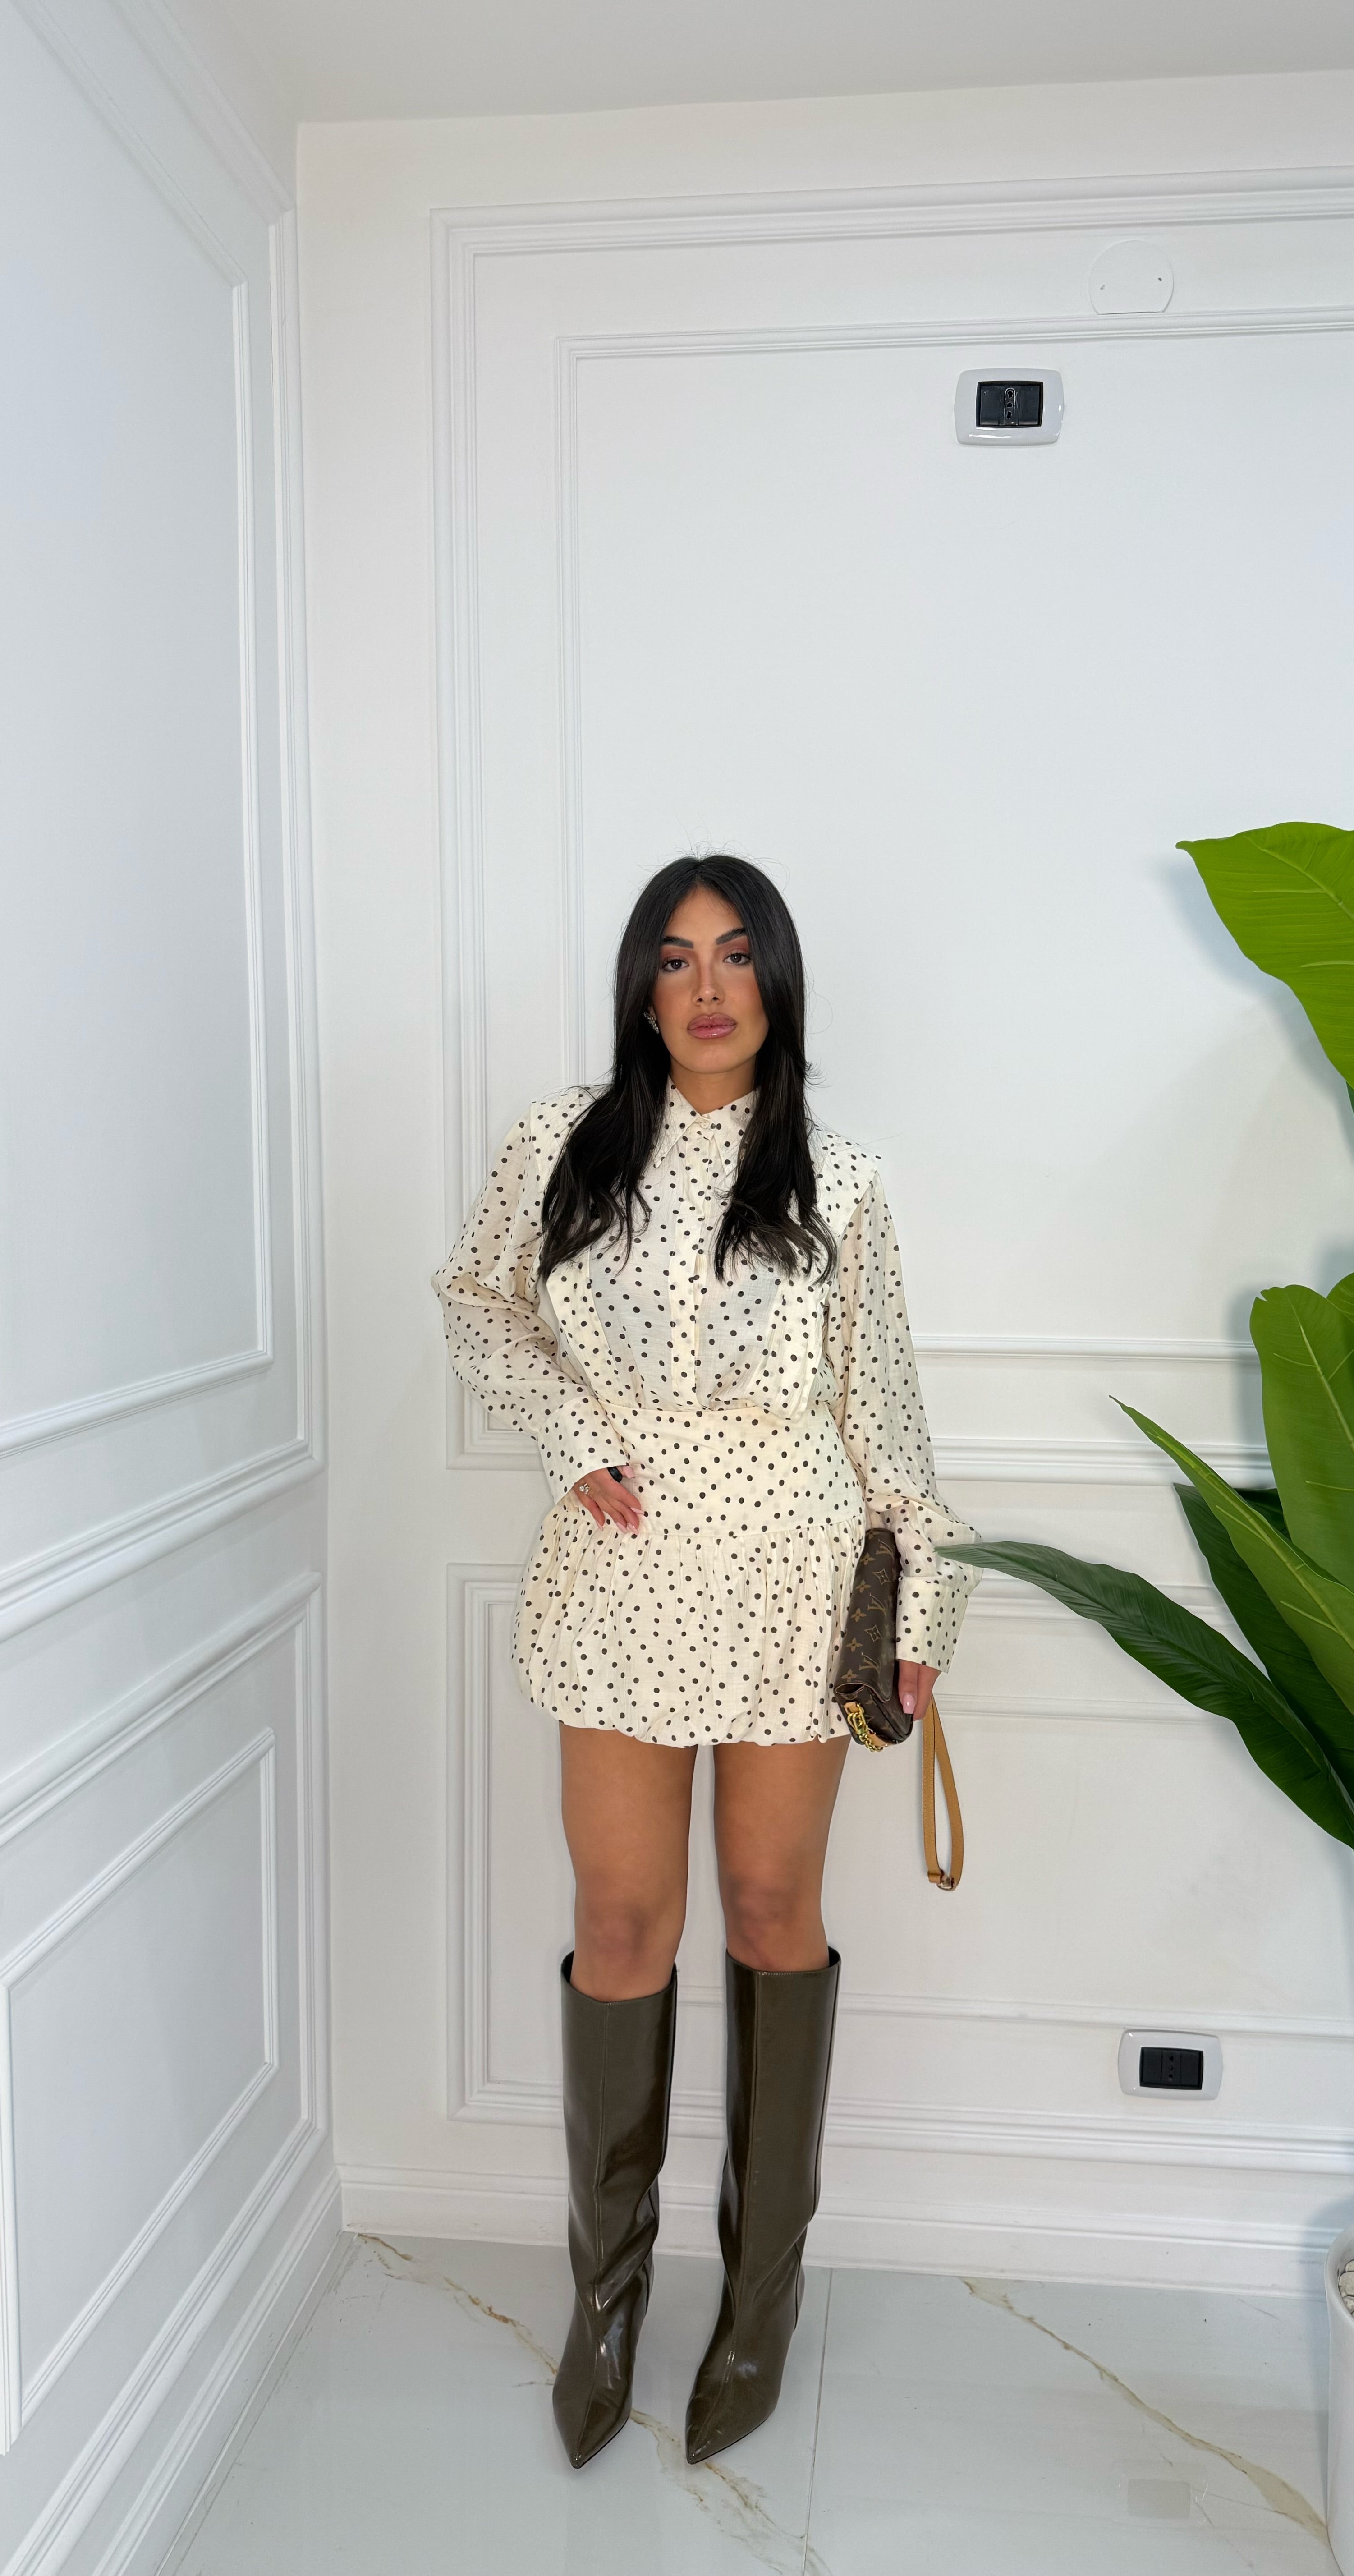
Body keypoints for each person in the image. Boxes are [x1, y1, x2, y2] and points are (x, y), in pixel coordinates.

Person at [434, 854, 976, 2467]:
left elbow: (883, 1408)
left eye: (736, 956)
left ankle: (758, 2301)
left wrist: (923, 1606)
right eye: (673, 960)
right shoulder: (564, 1142)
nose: (708, 987)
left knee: (765, 1908)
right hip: (620, 1575)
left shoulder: (838, 1176)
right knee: (620, 1920)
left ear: (776, 981)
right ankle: (606, 2301)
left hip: (794, 1578)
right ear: (641, 989)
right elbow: (479, 1311)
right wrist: (569, 1438)